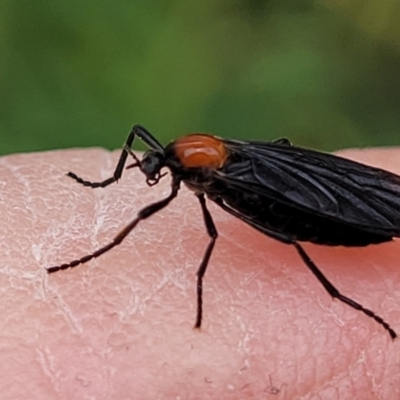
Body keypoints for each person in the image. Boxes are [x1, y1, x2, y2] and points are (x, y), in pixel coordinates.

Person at [1, 146, 398, 398]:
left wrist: (199, 282)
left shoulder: (204, 173)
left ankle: (340, 296)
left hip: (297, 210)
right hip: (268, 177)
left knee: (288, 238)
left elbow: (211, 237)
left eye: (155, 163)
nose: (149, 167)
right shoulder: (197, 158)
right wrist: (108, 181)